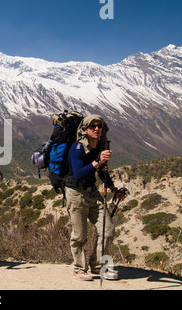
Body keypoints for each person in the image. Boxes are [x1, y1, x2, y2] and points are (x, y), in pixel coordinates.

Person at [65, 115, 127, 281]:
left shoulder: (100, 146)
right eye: (92, 126)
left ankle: (99, 266)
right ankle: (79, 268)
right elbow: (78, 173)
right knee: (79, 235)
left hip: (93, 192)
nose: (97, 129)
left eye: (99, 126)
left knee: (107, 231)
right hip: (76, 193)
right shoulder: (77, 148)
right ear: (84, 129)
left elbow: (102, 172)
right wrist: (98, 161)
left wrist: (113, 189)